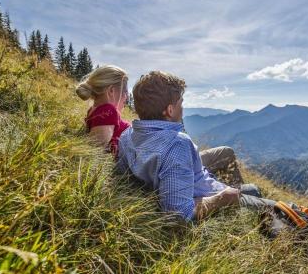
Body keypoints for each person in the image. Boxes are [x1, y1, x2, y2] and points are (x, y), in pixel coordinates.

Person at [116, 71, 275, 221]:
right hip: (205, 193)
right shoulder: (177, 144)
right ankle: (244, 215)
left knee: (232, 162)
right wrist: (223, 198)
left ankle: (242, 199)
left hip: (181, 181)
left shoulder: (126, 136)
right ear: (170, 110)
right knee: (270, 201)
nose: (183, 109)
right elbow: (178, 213)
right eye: (181, 103)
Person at [76, 65, 131, 156]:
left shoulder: (95, 110)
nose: (126, 96)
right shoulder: (108, 111)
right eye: (124, 91)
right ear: (111, 91)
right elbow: (97, 149)